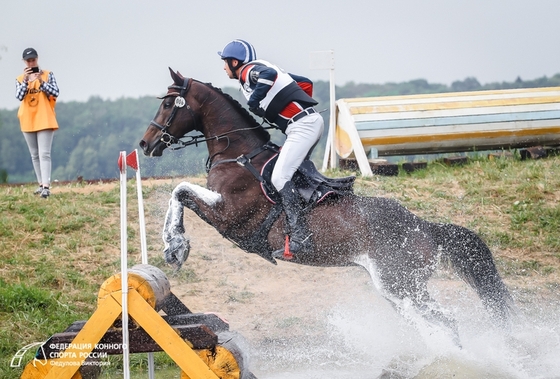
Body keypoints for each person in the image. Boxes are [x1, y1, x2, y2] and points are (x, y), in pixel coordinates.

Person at [218, 39, 324, 258]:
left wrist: (255, 103)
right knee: (290, 174)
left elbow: (268, 76)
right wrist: (286, 107)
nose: (223, 67)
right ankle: (304, 219)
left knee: (279, 178)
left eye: (225, 62)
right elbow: (304, 82)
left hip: (302, 127)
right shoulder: (256, 68)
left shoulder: (248, 71)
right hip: (305, 124)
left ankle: (300, 237)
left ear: (235, 62)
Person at [15, 47, 60, 198]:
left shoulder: (47, 75)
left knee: (44, 153)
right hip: (28, 119)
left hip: (44, 118)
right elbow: (19, 96)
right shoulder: (20, 79)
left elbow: (55, 92)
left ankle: (46, 186)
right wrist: (27, 81)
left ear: (37, 59)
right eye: (28, 61)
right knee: (34, 155)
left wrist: (40, 82)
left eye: (33, 60)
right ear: (24, 62)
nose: (31, 62)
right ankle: (41, 184)